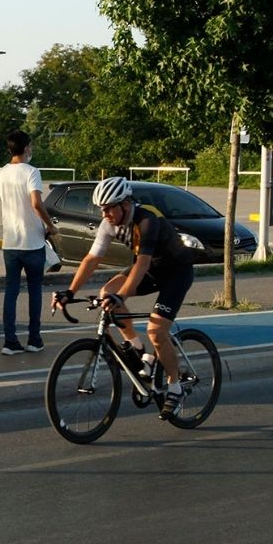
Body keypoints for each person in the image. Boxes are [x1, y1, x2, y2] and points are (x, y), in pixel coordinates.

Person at [52, 176, 194, 419]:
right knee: (106, 293)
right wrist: (70, 292)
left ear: (125, 204)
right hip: (150, 270)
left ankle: (175, 387)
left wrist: (121, 296)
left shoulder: (147, 220)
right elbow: (91, 259)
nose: (105, 214)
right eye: (102, 210)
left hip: (176, 272)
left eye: (109, 209)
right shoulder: (109, 224)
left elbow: (142, 264)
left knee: (156, 332)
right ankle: (138, 351)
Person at [0, 130, 58, 356]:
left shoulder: (1, 173)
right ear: (27, 147)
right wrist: (50, 225)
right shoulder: (32, 172)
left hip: (10, 242)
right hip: (32, 242)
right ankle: (34, 339)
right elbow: (36, 203)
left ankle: (10, 341)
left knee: (11, 292)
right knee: (34, 291)